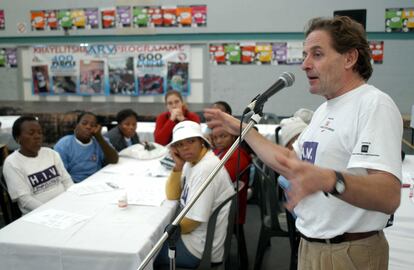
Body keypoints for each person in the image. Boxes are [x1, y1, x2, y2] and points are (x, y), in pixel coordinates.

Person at [205, 16, 402, 270]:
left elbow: (388, 195)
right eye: (305, 55)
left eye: (317, 54)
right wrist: (242, 130)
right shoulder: (324, 110)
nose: (305, 65)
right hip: (310, 247)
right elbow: (290, 162)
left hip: (349, 253)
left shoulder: (373, 104)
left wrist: (330, 180)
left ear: (350, 58)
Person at [154, 121, 234, 268]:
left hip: (199, 246)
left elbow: (192, 222)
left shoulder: (205, 169)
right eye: (179, 144)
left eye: (191, 141)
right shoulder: (192, 162)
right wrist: (178, 167)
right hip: (196, 236)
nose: (185, 147)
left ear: (201, 142)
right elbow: (173, 195)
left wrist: (159, 233)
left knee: (150, 253)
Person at [2, 116, 73, 214]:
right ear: (18, 138)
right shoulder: (12, 163)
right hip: (39, 214)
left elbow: (67, 181)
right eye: (31, 133)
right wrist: (52, 211)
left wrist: (71, 200)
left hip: (66, 206)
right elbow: (25, 200)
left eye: (40, 132)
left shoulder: (51, 153)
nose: (37, 136)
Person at [54, 112, 119, 183]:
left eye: (92, 125)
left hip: (98, 181)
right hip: (75, 184)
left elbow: (114, 160)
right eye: (84, 123)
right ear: (76, 126)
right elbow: (61, 176)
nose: (88, 127)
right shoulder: (63, 144)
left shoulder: (100, 141)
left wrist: (99, 137)